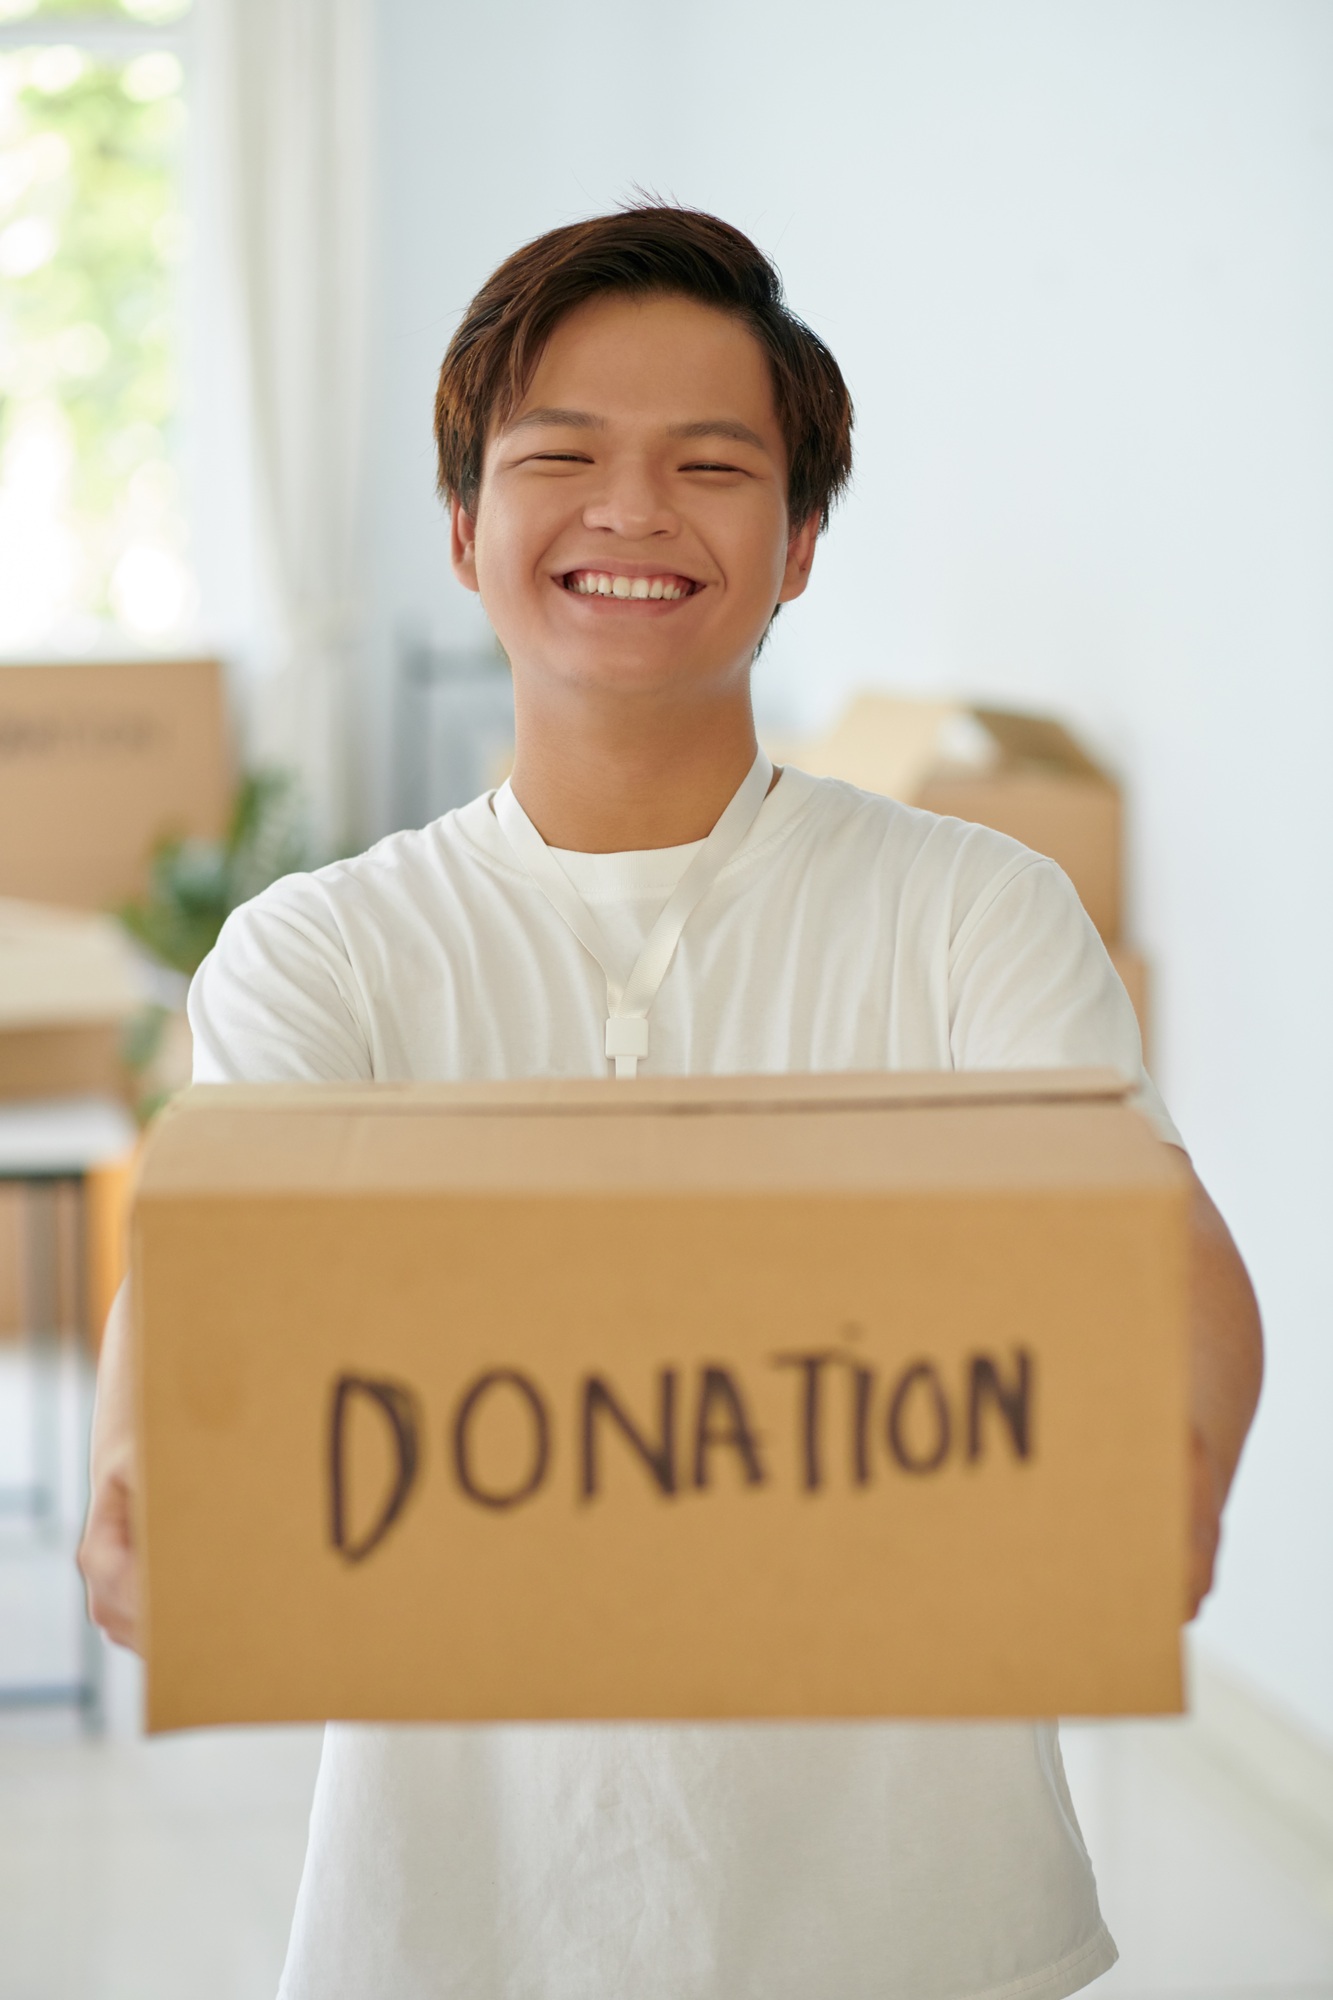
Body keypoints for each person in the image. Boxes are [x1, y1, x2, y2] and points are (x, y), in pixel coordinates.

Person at [80, 204, 1263, 2000]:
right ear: (466, 531)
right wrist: (156, 1495)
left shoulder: (970, 908)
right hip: (454, 1930)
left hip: (922, 1926)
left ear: (794, 548)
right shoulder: (320, 953)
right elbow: (209, 1323)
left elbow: (1153, 1247)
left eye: (712, 466)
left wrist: (1167, 1470)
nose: (634, 512)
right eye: (563, 458)